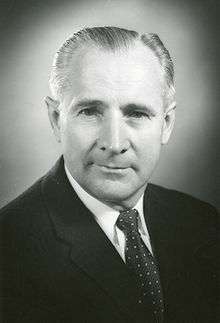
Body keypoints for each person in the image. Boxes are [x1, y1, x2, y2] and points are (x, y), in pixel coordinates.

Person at [0, 26, 219, 323]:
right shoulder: (9, 250)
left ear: (166, 123)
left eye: (137, 113)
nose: (114, 144)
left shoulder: (204, 223)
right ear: (56, 119)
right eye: (90, 111)